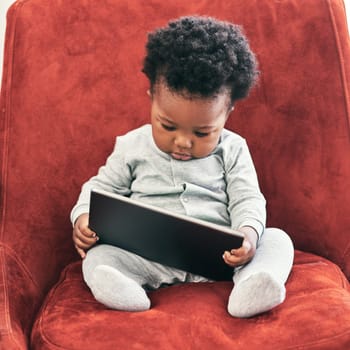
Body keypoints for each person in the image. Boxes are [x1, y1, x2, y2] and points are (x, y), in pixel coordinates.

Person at [71, 16, 294, 318]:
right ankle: (122, 286)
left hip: (224, 260)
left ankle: (251, 286)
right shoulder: (131, 146)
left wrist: (248, 236)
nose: (183, 143)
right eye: (167, 125)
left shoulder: (233, 148)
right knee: (99, 257)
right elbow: (100, 188)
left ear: (227, 113)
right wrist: (83, 218)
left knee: (278, 240)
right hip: (148, 256)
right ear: (151, 100)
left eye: (202, 133)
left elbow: (247, 198)